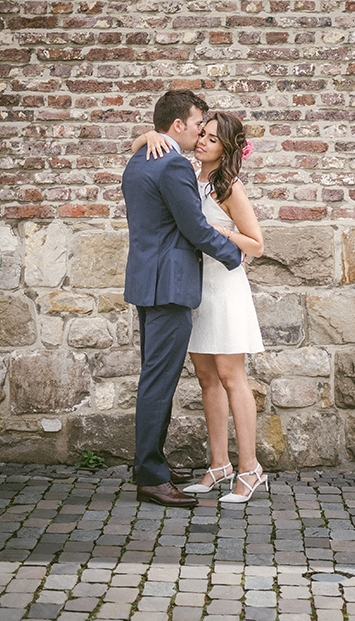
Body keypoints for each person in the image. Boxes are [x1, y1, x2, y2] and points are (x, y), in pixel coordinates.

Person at [132, 111, 268, 503]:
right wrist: (146, 136)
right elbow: (152, 153)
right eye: (202, 133)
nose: (203, 141)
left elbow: (257, 244)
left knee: (231, 375)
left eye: (212, 138)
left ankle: (250, 469)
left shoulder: (228, 187)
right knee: (207, 379)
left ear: (226, 147)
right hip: (196, 286)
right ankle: (218, 464)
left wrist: (222, 232)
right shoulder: (188, 175)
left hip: (224, 287)